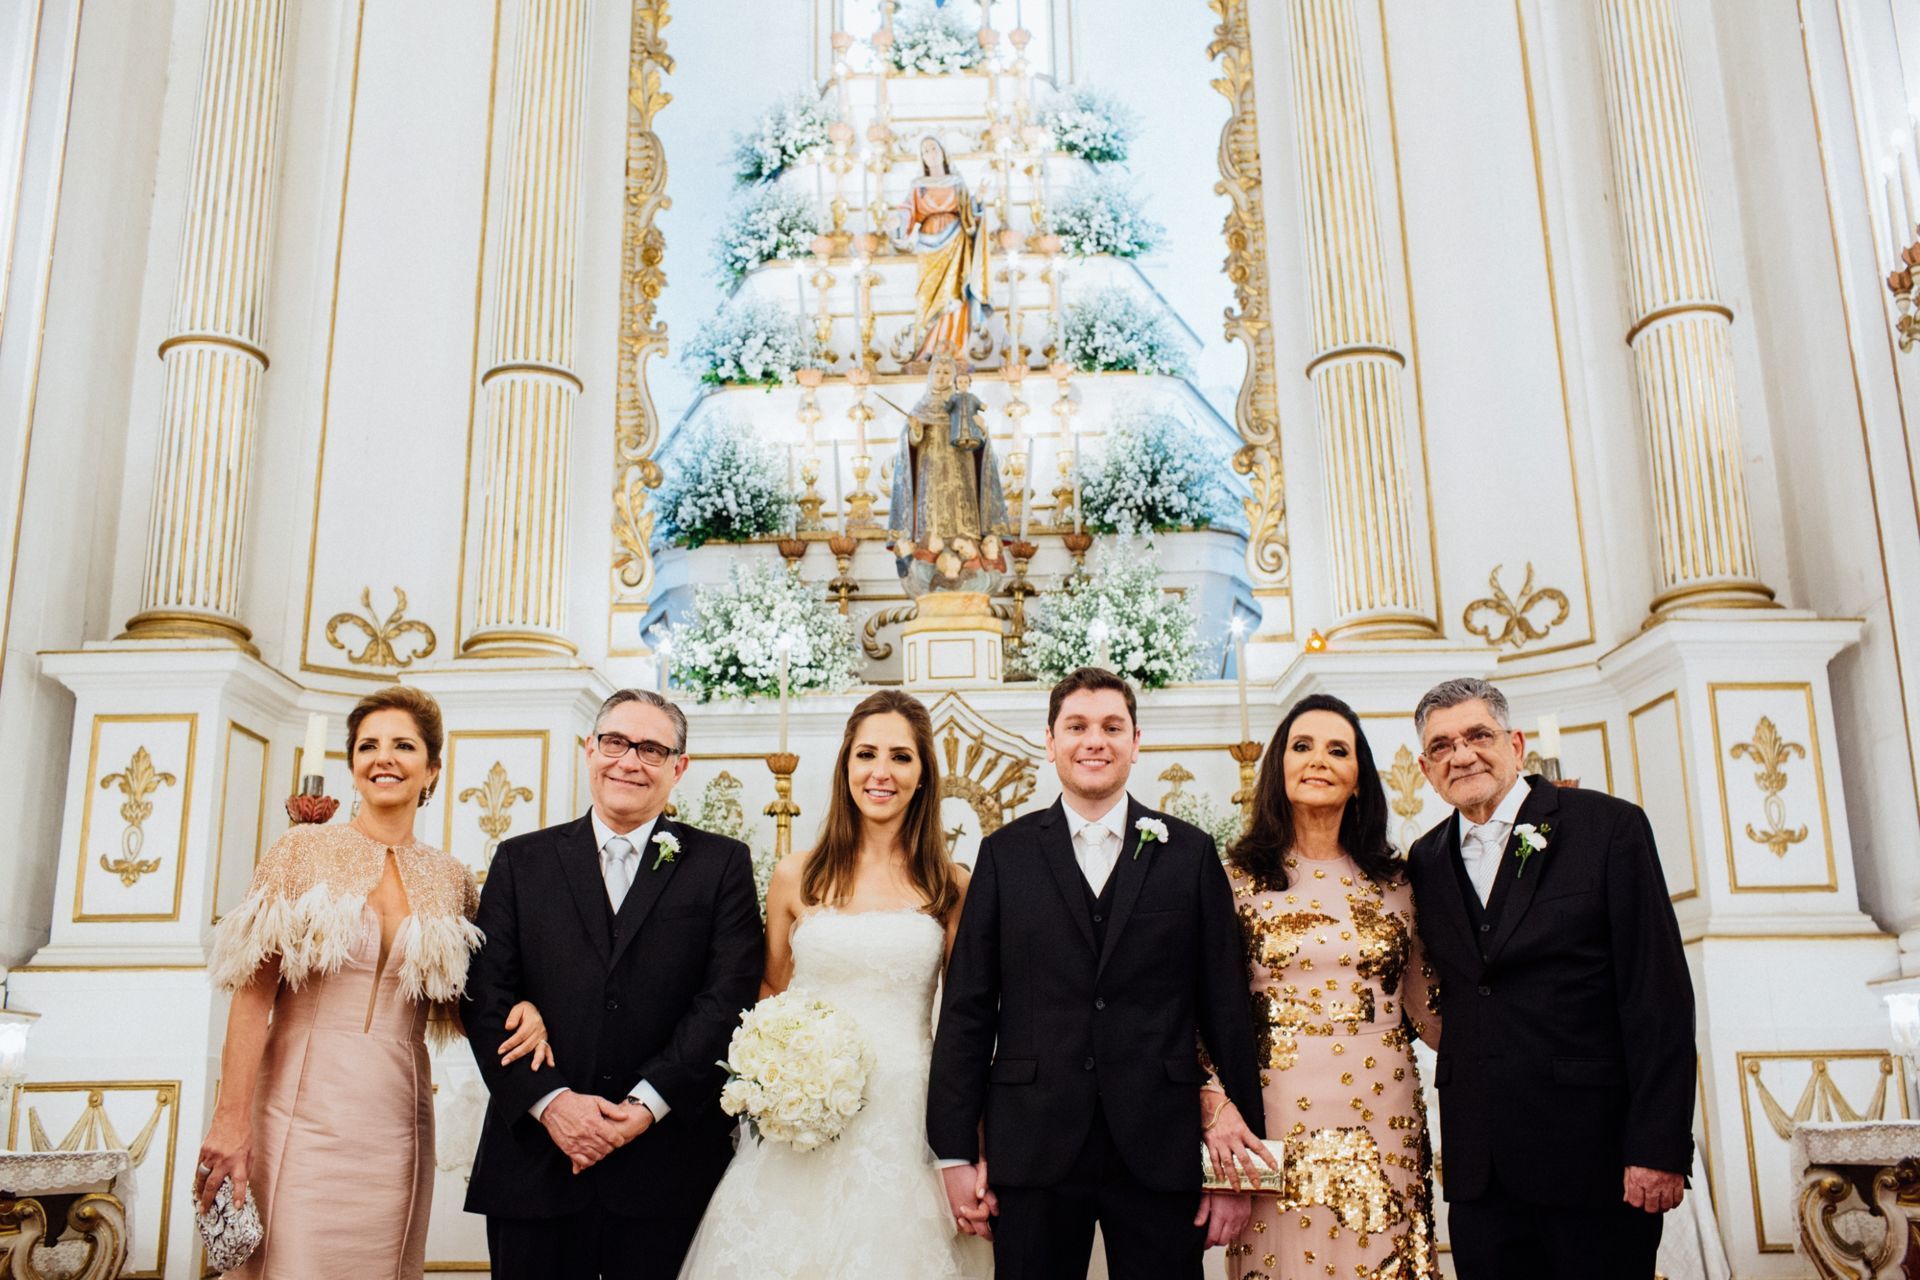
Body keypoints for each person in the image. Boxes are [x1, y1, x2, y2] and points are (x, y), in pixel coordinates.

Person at [196, 686, 554, 1279]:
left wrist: (530, 1013)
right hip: (296, 1107)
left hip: (397, 1118)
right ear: (353, 764)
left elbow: (475, 1004)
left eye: (403, 746)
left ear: (432, 769)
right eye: (368, 746)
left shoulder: (453, 879)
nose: (383, 758)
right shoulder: (299, 852)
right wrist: (230, 1121)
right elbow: (251, 994)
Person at [928, 667, 1265, 1279]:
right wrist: (954, 1152)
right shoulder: (1004, 855)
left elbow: (1226, 1009)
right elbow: (968, 1010)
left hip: (1160, 1143)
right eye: (1077, 726)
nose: (1095, 741)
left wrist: (1238, 1174)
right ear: (1050, 741)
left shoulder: (1188, 854)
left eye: (1113, 727)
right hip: (1032, 1143)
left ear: (1137, 741)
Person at [678, 690, 990, 1279]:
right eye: (866, 754)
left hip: (909, 1117)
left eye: (901, 757)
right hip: (805, 1121)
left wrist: (968, 1137)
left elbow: (967, 1019)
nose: (881, 772)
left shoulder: (950, 883)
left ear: (923, 775)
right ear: (845, 764)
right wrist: (776, 1083)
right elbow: (770, 993)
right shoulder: (797, 873)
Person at [462, 690, 763, 1280]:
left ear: (679, 767)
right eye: (616, 742)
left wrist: (645, 1107)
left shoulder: (721, 863)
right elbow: (486, 993)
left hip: (666, 1164)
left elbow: (727, 999)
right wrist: (553, 1105)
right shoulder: (521, 861)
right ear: (589, 750)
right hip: (536, 1162)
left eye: (652, 749)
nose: (630, 760)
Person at [1406, 677, 1694, 1280]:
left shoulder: (1608, 829)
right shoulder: (1425, 860)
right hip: (1482, 1175)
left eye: (1478, 735)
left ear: (1515, 743)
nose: (1462, 755)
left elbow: (1657, 995)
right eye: (1441, 746)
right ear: (1426, 769)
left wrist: (1657, 1148)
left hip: (1595, 1160)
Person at [1204, 693, 1441, 1280]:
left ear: (1359, 778)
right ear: (1277, 770)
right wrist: (1214, 1110)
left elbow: (1434, 1012)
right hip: (1271, 1117)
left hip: (1385, 1119)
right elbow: (1195, 1012)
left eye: (1339, 750)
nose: (1319, 760)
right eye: (1302, 746)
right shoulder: (1232, 882)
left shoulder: (1399, 884)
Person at [887, 351, 1011, 588]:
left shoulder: (961, 404)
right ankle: (933, 549)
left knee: (961, 510)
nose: (941, 377)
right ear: (930, 375)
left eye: (946, 373)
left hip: (960, 471)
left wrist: (982, 432)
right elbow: (909, 448)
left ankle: (965, 548)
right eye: (937, 372)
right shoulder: (921, 407)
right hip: (930, 472)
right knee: (931, 517)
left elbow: (979, 447)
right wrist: (915, 431)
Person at [894, 135, 990, 364]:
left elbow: (969, 211)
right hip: (928, 245)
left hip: (956, 241)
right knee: (927, 295)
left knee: (954, 294)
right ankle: (927, 348)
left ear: (943, 152)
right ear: (922, 158)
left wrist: (978, 199)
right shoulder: (918, 186)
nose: (931, 153)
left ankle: (953, 349)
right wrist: (897, 223)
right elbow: (907, 212)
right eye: (925, 150)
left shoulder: (956, 182)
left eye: (934, 148)